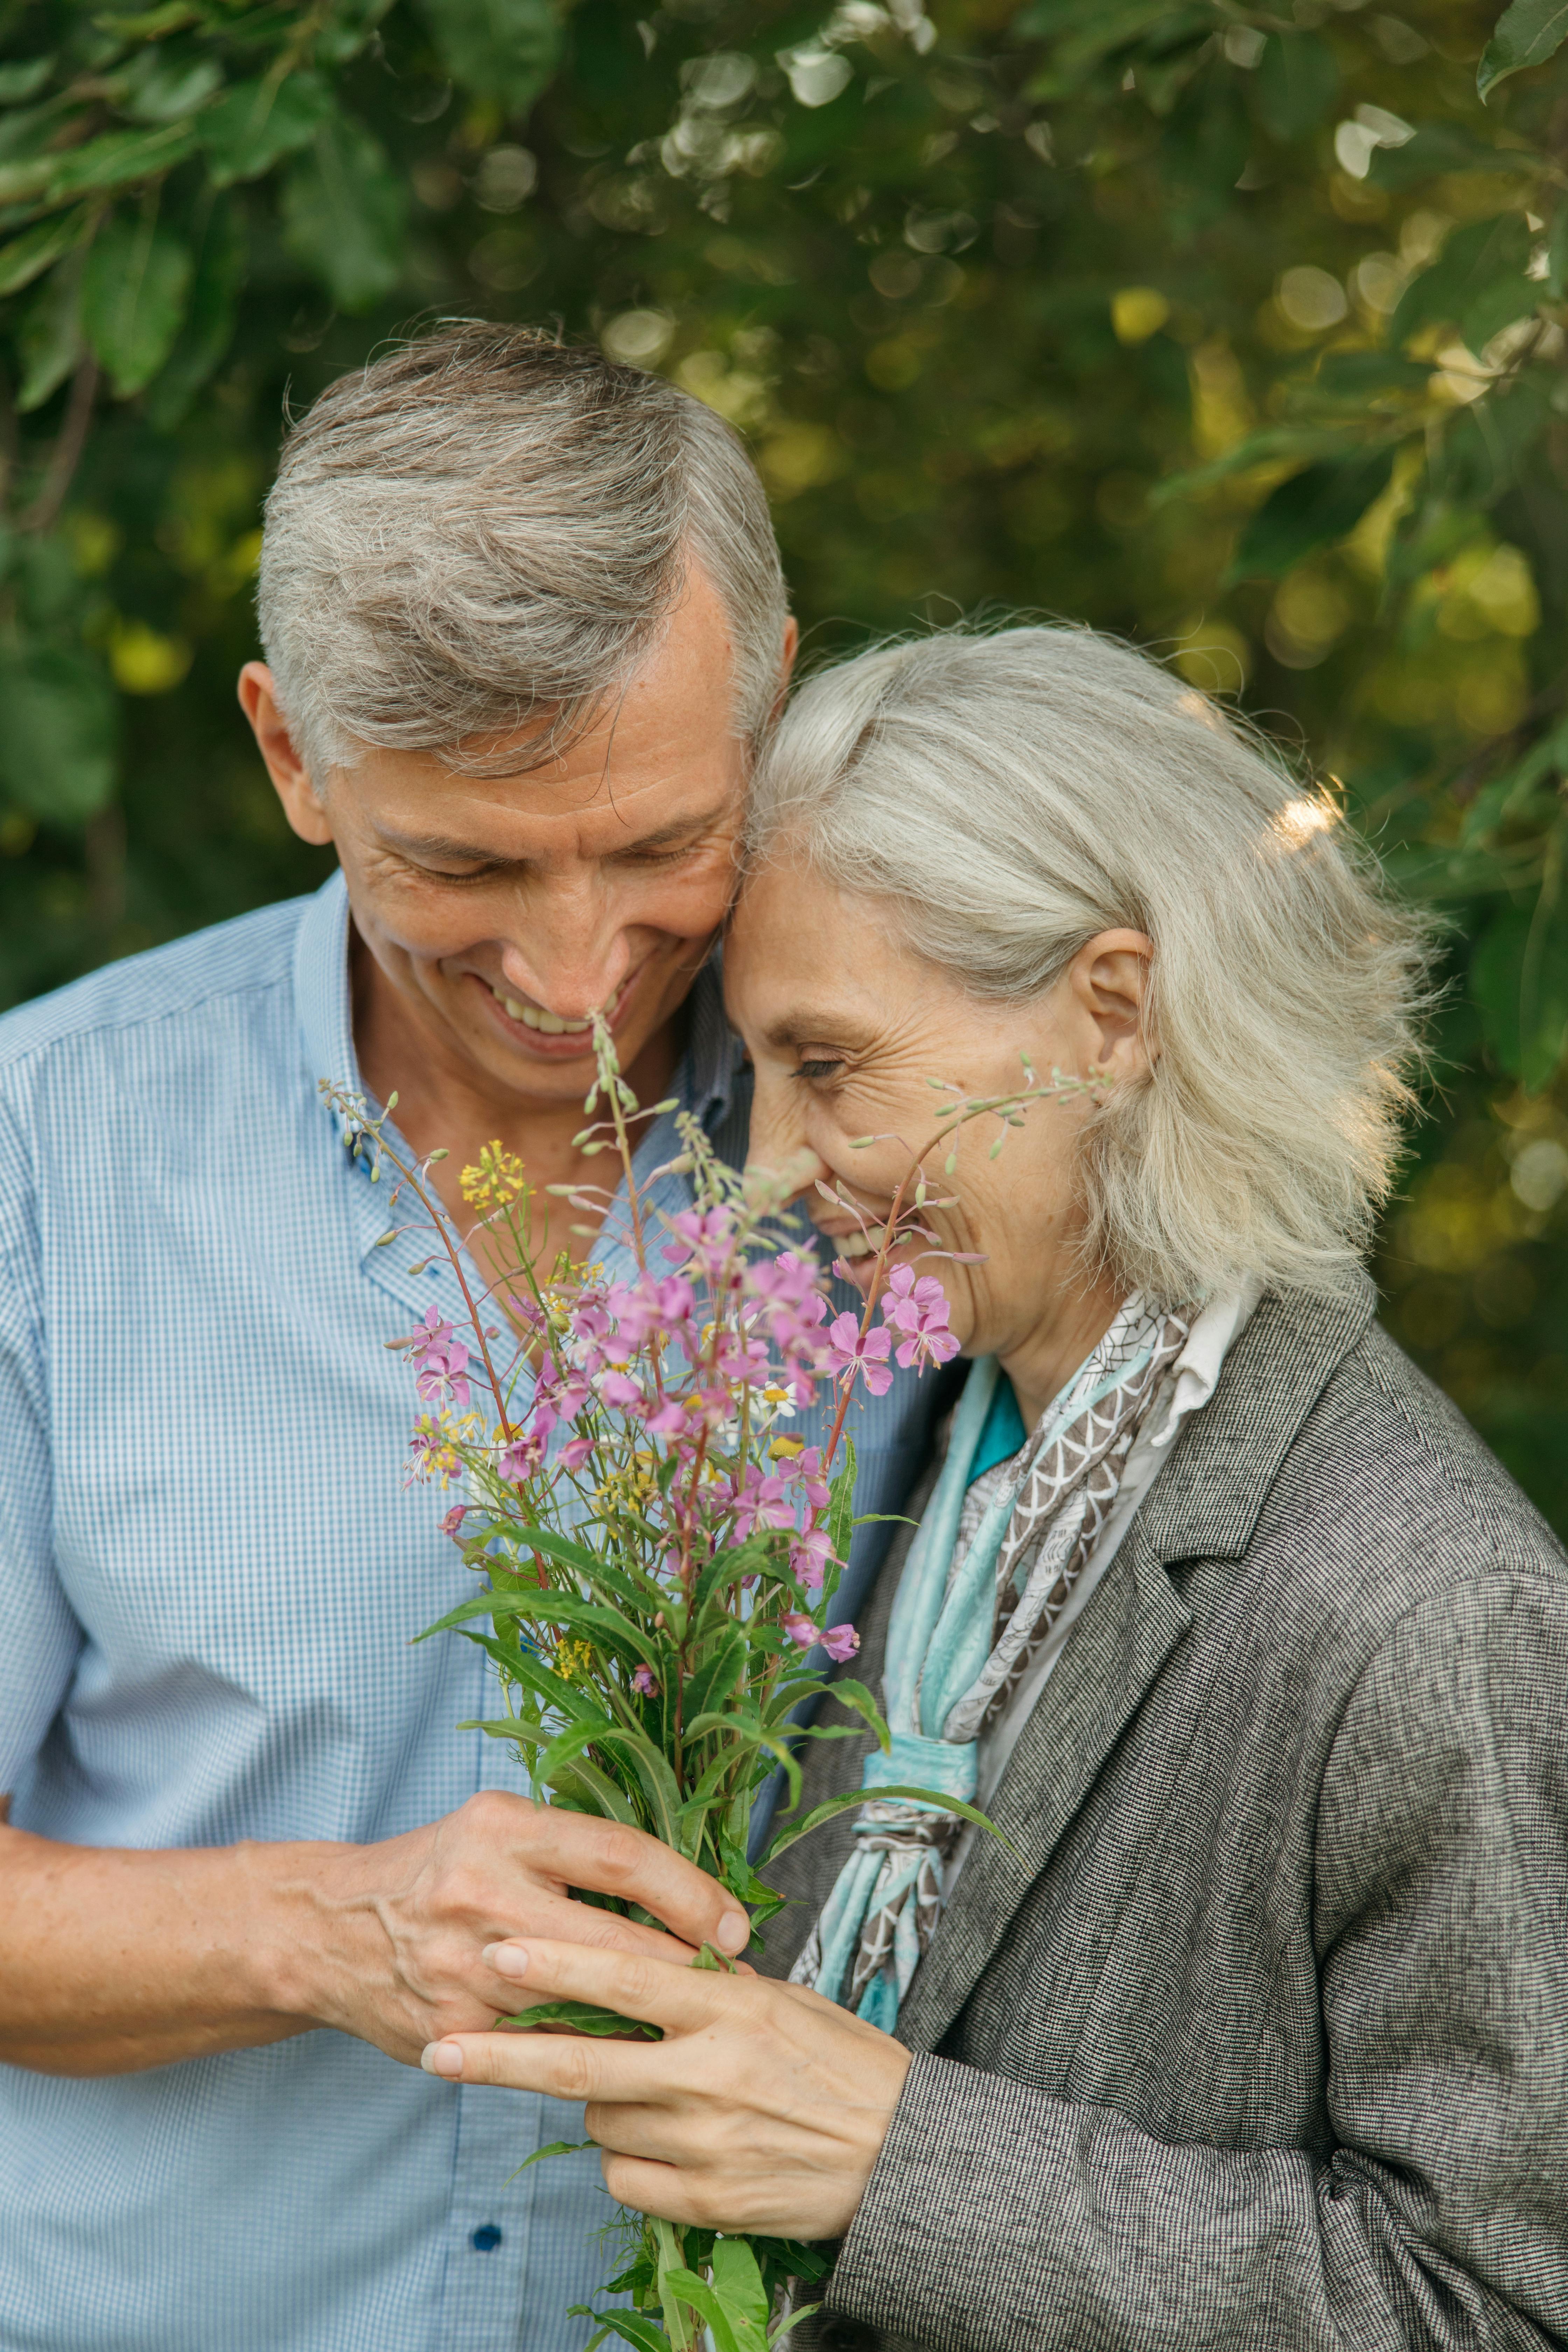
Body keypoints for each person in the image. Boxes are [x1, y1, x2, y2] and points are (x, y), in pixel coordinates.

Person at [426, 625, 1568, 2352]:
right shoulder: (913, 1455)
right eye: (760, 1078)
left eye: (828, 1066)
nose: (773, 1170)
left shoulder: (1425, 1604)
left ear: (1110, 1017)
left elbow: (1494, 2302)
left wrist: (898, 2164)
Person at [0, 327, 933, 2352]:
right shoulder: (41, 1160)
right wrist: (316, 1930)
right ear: (288, 756)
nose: (578, 966)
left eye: (664, 844)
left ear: (769, 703)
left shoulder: (943, 1155)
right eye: (464, 865)